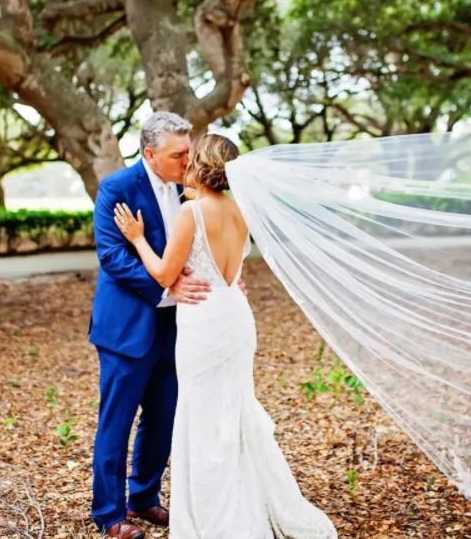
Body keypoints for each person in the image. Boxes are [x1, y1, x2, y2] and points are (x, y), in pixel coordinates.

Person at [112, 133, 338, 538]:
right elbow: (229, 270)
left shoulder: (191, 212)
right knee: (234, 411)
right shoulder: (240, 209)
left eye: (191, 158)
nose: (185, 164)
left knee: (203, 416)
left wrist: (137, 238)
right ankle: (249, 501)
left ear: (201, 165)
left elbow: (163, 274)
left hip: (204, 322)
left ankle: (217, 517)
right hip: (234, 316)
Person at [89, 112, 214, 539]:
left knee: (163, 418)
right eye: (178, 154)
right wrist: (166, 285)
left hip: (177, 326)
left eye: (189, 151)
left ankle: (143, 497)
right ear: (149, 153)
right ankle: (109, 514)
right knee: (117, 423)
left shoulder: (189, 186)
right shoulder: (117, 188)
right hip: (126, 327)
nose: (187, 161)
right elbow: (112, 257)